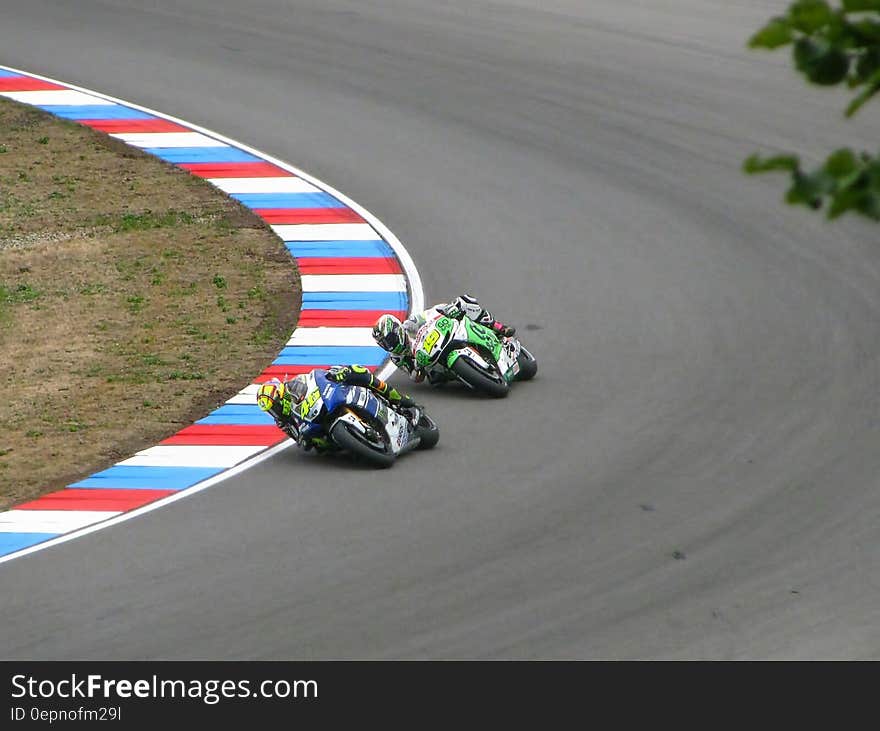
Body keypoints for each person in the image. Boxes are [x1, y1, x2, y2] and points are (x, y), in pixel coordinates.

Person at [256, 365, 418, 453]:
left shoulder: (292, 386)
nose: (274, 411)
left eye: (274, 405)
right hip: (318, 424)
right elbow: (298, 438)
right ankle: (356, 444)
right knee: (320, 447)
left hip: (326, 400)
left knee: (357, 372)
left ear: (280, 395)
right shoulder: (282, 422)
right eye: (271, 410)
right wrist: (303, 439)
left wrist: (334, 375)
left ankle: (397, 398)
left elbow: (312, 379)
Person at [372, 294, 516, 384]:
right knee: (435, 378)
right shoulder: (397, 357)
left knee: (464, 302)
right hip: (433, 363)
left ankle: (498, 327)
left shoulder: (411, 324)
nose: (390, 345)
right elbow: (414, 376)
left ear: (397, 329)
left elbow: (433, 312)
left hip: (443, 338)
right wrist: (417, 369)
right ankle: (465, 374)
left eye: (390, 339)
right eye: (385, 344)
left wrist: (447, 310)